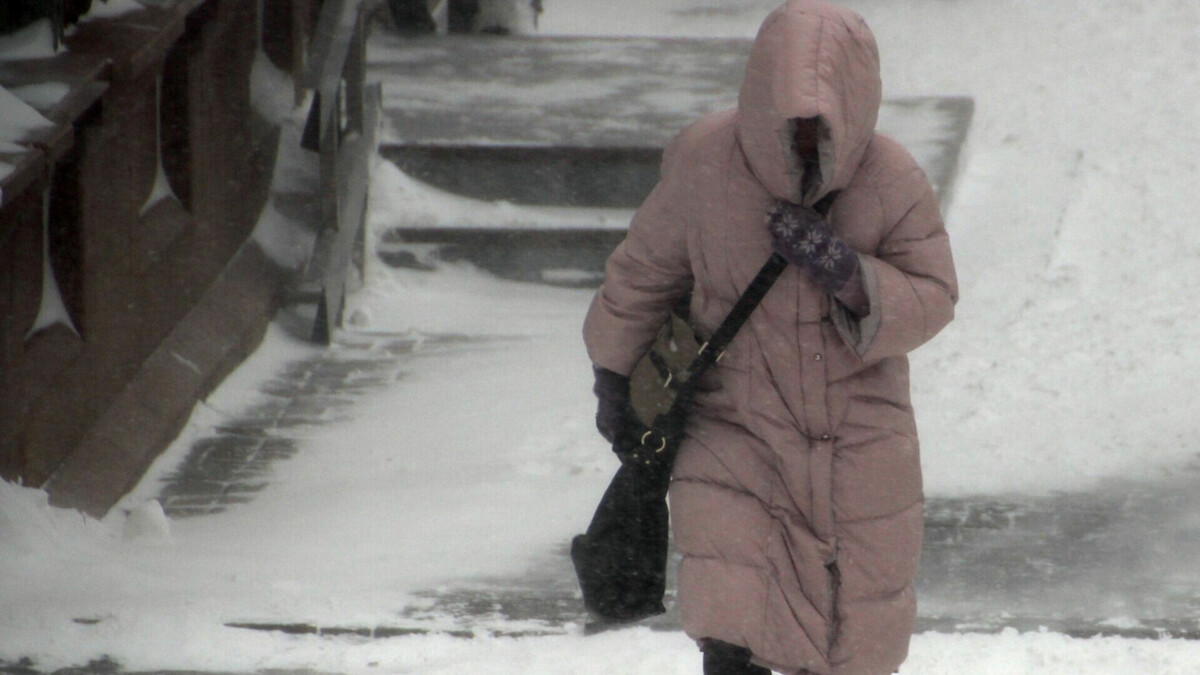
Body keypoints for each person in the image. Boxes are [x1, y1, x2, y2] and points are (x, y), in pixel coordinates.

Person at [582, 1, 958, 673]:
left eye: (821, 129)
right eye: (793, 128)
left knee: (856, 632)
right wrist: (614, 376)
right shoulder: (706, 161)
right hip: (735, 436)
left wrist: (850, 276)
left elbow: (934, 295)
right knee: (735, 617)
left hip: (860, 445)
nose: (806, 146)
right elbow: (643, 274)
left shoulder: (892, 179)